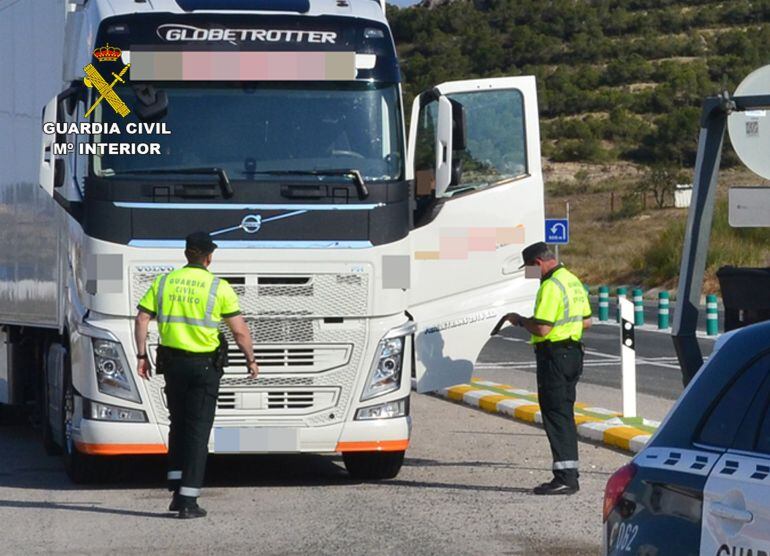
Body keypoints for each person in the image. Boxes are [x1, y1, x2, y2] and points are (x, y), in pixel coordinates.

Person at [134, 231, 259, 518]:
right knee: (198, 430)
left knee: (177, 424)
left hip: (172, 365)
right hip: (204, 367)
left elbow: (142, 318)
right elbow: (239, 331)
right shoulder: (218, 287)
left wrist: (141, 355)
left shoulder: (164, 282)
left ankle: (177, 484)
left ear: (187, 253)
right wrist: (251, 359)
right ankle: (188, 500)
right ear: (208, 256)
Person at [504, 241, 591, 495]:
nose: (528, 274)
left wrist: (519, 320)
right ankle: (569, 473)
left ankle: (565, 478)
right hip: (573, 353)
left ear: (538, 263)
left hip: (554, 356)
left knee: (556, 414)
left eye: (528, 269)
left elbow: (542, 327)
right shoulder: (572, 280)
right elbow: (587, 321)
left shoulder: (550, 286)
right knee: (564, 412)